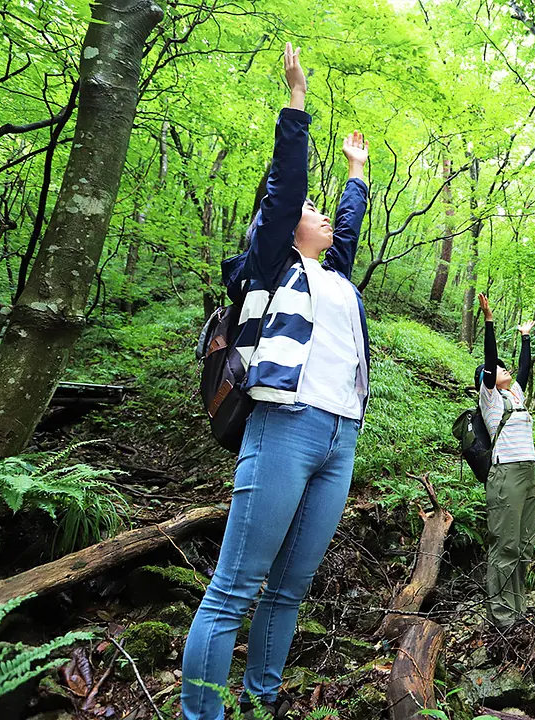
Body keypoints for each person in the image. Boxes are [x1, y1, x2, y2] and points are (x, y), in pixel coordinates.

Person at [181, 43, 371, 720]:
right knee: (235, 588)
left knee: (290, 590)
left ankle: (260, 703)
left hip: (340, 437)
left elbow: (346, 227)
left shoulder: (334, 276)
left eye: (322, 211)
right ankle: (203, 713)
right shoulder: (269, 266)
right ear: (285, 227)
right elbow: (285, 188)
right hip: (284, 425)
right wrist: (296, 101)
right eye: (309, 210)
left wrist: (356, 172)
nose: (320, 215)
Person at [474, 293, 535, 628]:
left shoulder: (515, 395)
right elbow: (490, 358)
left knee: (524, 545)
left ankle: (519, 609)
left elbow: (525, 368)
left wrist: (525, 337)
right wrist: (489, 320)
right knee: (505, 546)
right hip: (506, 474)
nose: (504, 368)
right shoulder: (490, 398)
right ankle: (501, 618)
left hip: (528, 473)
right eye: (499, 368)